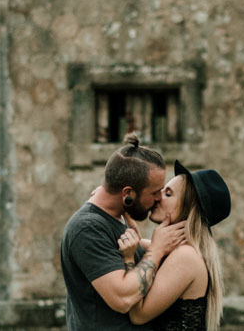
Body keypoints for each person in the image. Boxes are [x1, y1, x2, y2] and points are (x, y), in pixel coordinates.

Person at [61, 133, 187, 330]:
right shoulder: (87, 228)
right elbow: (122, 298)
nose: (158, 199)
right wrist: (157, 250)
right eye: (154, 192)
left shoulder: (117, 217)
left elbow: (127, 251)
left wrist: (160, 243)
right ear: (127, 194)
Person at [117, 160, 231, 331]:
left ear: (188, 210)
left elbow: (138, 315)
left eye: (168, 194)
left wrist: (129, 260)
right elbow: (136, 244)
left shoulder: (185, 256)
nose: (157, 197)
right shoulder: (175, 250)